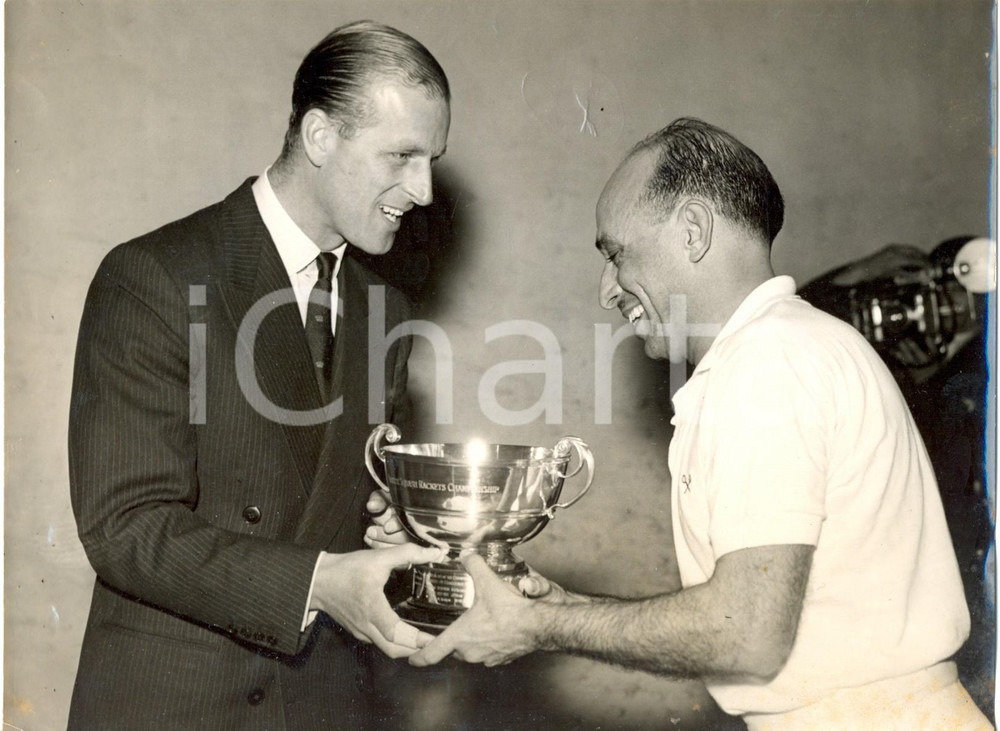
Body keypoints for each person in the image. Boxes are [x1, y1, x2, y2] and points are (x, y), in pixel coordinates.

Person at [404, 118, 992, 729]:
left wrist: (539, 627)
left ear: (692, 230)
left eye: (616, 254)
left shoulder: (769, 364)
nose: (608, 290)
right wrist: (570, 607)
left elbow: (746, 633)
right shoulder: (791, 347)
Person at [68, 21, 450, 729]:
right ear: (319, 136)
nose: (423, 190)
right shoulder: (154, 275)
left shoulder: (385, 309)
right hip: (175, 705)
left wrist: (392, 529)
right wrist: (322, 581)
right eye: (402, 156)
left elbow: (334, 499)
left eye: (431, 160)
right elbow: (123, 526)